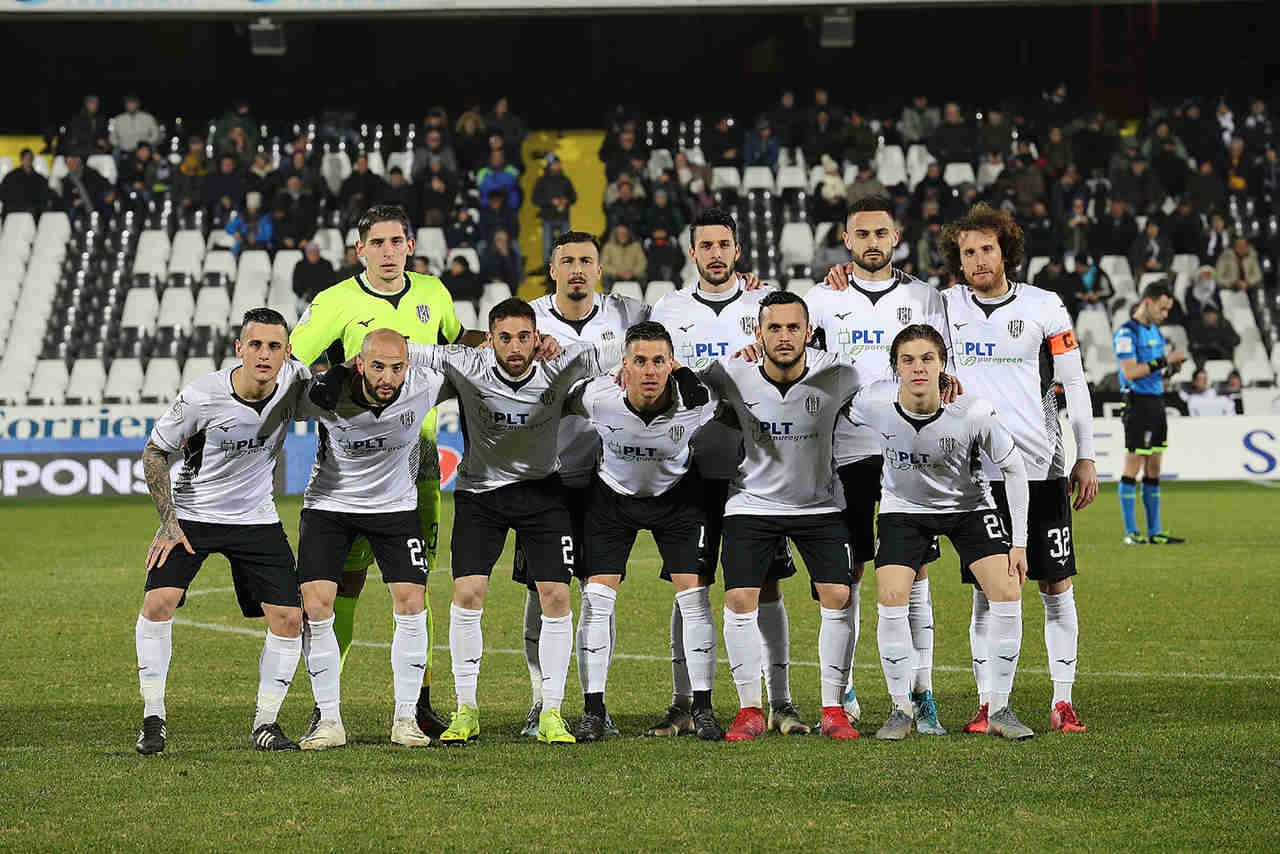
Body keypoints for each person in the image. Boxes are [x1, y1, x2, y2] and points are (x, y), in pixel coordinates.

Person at [289, 204, 485, 741]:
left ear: (411, 245)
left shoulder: (434, 293)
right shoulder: (334, 302)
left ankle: (417, 704)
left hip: (417, 463)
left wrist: (493, 343)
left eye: (397, 241)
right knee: (342, 585)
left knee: (414, 587)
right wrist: (328, 376)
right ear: (361, 250)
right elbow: (293, 363)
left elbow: (454, 352)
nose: (388, 251)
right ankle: (324, 705)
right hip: (353, 463)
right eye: (377, 242)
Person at [408, 299, 619, 746]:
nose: (516, 346)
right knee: (467, 593)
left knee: (556, 595)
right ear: (490, 339)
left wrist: (572, 343)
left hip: (543, 494)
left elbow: (616, 350)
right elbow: (409, 349)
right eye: (505, 337)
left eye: (524, 336)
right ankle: (466, 710)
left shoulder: (557, 365)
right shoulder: (467, 363)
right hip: (480, 495)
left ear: (536, 335)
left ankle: (552, 711)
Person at [938, 202, 1098, 735]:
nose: (979, 259)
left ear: (1005, 249)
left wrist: (1086, 453)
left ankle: (1063, 700)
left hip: (1041, 467)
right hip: (977, 475)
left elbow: (1074, 385)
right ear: (957, 261)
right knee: (988, 589)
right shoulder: (943, 306)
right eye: (968, 252)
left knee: (1056, 586)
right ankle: (988, 703)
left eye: (987, 248)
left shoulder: (1045, 306)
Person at [648, 208, 804, 736]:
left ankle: (780, 701)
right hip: (689, 467)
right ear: (692, 253)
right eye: (705, 246)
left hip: (756, 470)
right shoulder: (669, 307)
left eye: (724, 245)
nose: (715, 254)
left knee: (765, 585)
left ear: (738, 250)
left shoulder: (767, 304)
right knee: (687, 585)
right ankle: (683, 701)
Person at [133, 309, 311, 755]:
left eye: (274, 346)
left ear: (287, 352)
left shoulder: (297, 381)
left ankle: (266, 723)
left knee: (290, 619)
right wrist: (169, 524)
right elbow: (155, 452)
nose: (265, 354)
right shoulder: (201, 396)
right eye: (255, 345)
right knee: (158, 603)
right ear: (239, 349)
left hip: (256, 518)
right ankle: (153, 718)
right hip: (193, 516)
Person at [847, 325, 1034, 741]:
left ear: (943, 365)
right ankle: (900, 709)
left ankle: (1000, 708)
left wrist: (1018, 543)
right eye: (908, 360)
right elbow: (836, 416)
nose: (918, 368)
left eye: (927, 359)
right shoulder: (873, 402)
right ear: (895, 367)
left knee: (1006, 590)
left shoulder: (972, 412)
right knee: (891, 594)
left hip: (968, 508)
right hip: (904, 510)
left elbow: (1014, 468)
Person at [697, 291, 861, 742]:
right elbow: (681, 382)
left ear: (810, 332)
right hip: (751, 503)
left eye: (793, 328)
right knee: (739, 600)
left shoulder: (841, 373)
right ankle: (750, 708)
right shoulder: (732, 372)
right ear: (758, 333)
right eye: (774, 328)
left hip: (820, 504)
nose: (784, 337)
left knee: (837, 595)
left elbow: (891, 388)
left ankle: (833, 707)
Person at [813, 195, 949, 733]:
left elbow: (948, 370)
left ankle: (922, 693)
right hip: (843, 455)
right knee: (846, 577)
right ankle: (843, 692)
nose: (872, 242)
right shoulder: (821, 299)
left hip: (910, 454)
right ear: (846, 241)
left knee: (913, 576)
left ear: (896, 238)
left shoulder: (925, 298)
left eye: (881, 233)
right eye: (861, 234)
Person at [293, 330, 455, 750]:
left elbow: (480, 370)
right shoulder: (325, 395)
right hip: (329, 506)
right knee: (317, 604)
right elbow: (272, 403)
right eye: (378, 366)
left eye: (397, 367)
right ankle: (328, 719)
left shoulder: (425, 384)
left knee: (412, 602)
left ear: (409, 366)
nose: (388, 377)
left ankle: (406, 718)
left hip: (395, 508)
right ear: (359, 364)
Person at [517, 231, 650, 737]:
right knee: (540, 589)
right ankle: (540, 700)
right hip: (546, 477)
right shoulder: (528, 320)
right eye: (566, 261)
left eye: (586, 261)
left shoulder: (630, 315)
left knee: (600, 592)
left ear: (600, 268)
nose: (577, 269)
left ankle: (597, 702)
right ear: (551, 270)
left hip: (604, 478)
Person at [566, 321, 726, 741]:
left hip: (677, 497)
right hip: (611, 499)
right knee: (597, 600)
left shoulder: (698, 402)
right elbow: (553, 402)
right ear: (625, 367)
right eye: (640, 361)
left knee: (693, 598)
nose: (650, 370)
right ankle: (593, 711)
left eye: (659, 361)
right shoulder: (597, 397)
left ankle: (703, 708)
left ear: (672, 364)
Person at [1113, 281, 1188, 546]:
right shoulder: (1126, 333)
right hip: (1137, 403)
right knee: (1134, 464)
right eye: (1163, 308)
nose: (1165, 314)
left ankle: (1155, 532)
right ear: (1148, 301)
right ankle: (1132, 532)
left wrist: (1172, 369)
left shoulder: (1155, 331)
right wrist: (1164, 360)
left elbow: (1157, 373)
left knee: (1155, 465)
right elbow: (1131, 372)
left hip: (1157, 402)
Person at [532, 154, 577, 265]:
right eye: (554, 164)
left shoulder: (565, 180)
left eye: (557, 164)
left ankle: (565, 268)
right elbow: (534, 199)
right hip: (548, 218)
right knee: (547, 247)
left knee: (566, 246)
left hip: (563, 217)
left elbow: (574, 197)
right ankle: (548, 272)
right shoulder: (542, 181)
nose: (556, 166)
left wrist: (566, 200)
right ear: (548, 165)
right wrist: (550, 202)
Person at [0, 148, 54, 215]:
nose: (29, 160)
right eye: (26, 158)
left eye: (30, 158)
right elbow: (3, 194)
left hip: (34, 211)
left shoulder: (40, 179)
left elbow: (45, 195)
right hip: (14, 210)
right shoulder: (10, 177)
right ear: (21, 159)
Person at [60, 152, 115, 217]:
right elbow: (64, 202)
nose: (71, 163)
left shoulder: (92, 173)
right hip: (80, 215)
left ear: (79, 160)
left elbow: (107, 187)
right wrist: (73, 203)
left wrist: (111, 193)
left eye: (73, 160)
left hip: (99, 211)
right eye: (68, 161)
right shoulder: (65, 181)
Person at [226, 191, 273, 256]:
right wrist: (235, 233)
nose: (252, 210)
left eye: (253, 208)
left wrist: (256, 238)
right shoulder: (241, 216)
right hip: (243, 242)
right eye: (250, 208)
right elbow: (229, 226)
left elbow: (268, 234)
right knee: (236, 246)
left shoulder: (264, 218)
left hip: (260, 244)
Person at [601, 223, 648, 289]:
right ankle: (607, 296)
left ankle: (643, 297)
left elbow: (642, 262)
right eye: (620, 233)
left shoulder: (636, 246)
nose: (623, 235)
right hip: (615, 274)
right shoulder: (608, 246)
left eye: (625, 233)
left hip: (632, 273)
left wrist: (633, 272)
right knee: (606, 277)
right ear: (615, 234)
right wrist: (618, 272)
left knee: (643, 276)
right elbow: (604, 264)